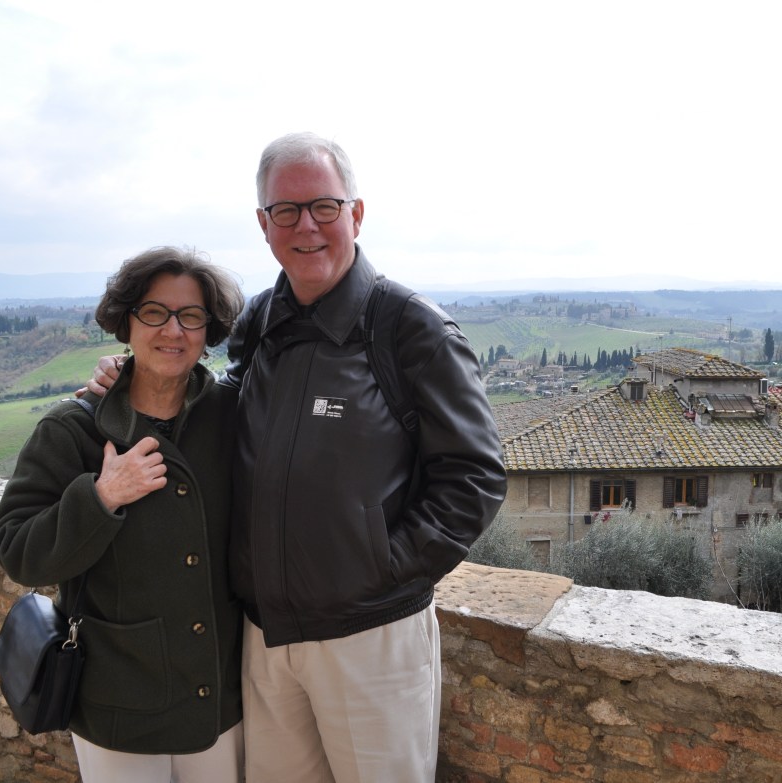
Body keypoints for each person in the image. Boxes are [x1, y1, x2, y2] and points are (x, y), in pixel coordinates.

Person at [89, 132, 507, 782]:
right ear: (264, 224)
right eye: (286, 210)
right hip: (265, 638)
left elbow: (474, 478)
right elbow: (218, 413)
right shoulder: (260, 321)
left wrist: (379, 566)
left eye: (324, 207)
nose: (306, 225)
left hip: (370, 637)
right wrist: (138, 374)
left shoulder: (410, 328)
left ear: (356, 214)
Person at [0, 247, 246, 783]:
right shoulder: (72, 431)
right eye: (155, 312)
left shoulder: (231, 416)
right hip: (119, 706)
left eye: (191, 316)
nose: (173, 331)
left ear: (209, 331)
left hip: (217, 702)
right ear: (126, 322)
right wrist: (100, 498)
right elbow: (17, 552)